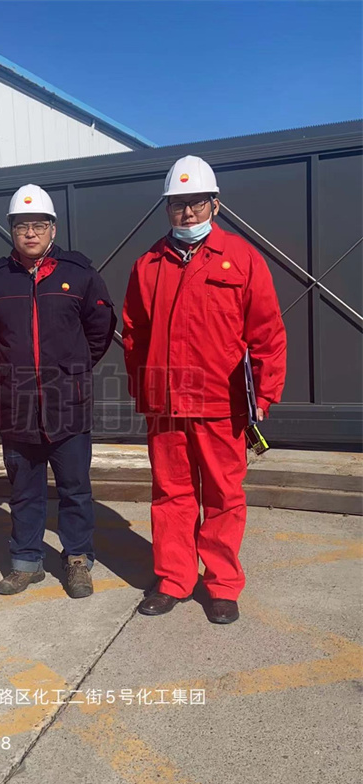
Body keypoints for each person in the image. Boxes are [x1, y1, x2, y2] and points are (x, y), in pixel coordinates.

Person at [122, 156, 287, 624]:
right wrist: (144, 390)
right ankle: (173, 579)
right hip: (166, 406)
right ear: (167, 208)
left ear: (215, 204)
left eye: (196, 202)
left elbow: (267, 332)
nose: (187, 212)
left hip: (221, 403)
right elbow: (134, 335)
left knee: (223, 496)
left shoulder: (242, 258)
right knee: (170, 496)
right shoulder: (148, 264)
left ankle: (222, 585)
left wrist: (264, 395)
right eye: (178, 204)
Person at [0, 185, 116, 598]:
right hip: (18, 404)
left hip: (67, 403)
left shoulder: (80, 274)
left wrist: (70, 369)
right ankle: (26, 562)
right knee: (24, 490)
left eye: (39, 225)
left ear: (53, 228)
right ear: (11, 230)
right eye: (22, 225)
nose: (30, 233)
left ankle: (77, 559)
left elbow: (99, 331)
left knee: (75, 489)